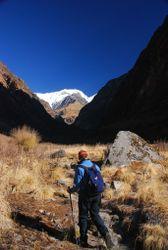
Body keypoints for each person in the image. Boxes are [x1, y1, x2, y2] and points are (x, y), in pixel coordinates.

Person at [68, 150, 113, 249]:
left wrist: (70, 190)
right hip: (97, 195)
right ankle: (105, 234)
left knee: (83, 216)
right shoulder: (95, 166)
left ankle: (83, 240)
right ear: (87, 156)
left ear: (79, 158)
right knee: (95, 215)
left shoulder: (80, 168)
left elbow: (77, 185)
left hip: (85, 196)